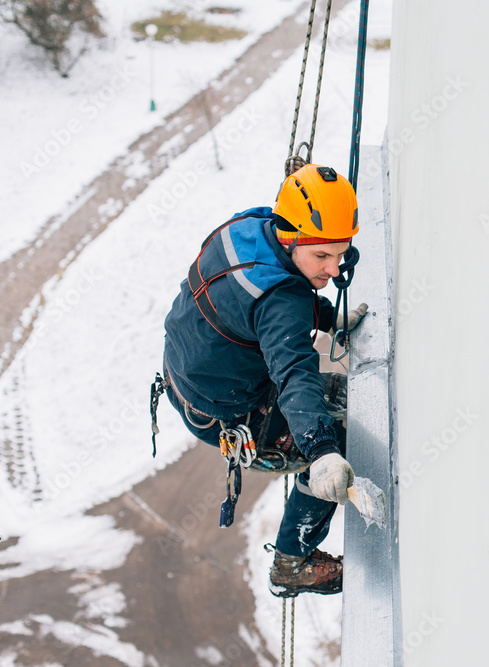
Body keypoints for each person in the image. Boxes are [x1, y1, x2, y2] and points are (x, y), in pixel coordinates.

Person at [155, 163, 368, 597]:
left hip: (192, 374)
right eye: (321, 256)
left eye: (340, 253)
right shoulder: (282, 301)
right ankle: (293, 561)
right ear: (289, 235)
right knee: (341, 439)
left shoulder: (249, 224)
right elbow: (292, 371)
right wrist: (322, 450)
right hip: (228, 413)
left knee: (336, 401)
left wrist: (327, 316)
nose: (332, 268)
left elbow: (253, 297)